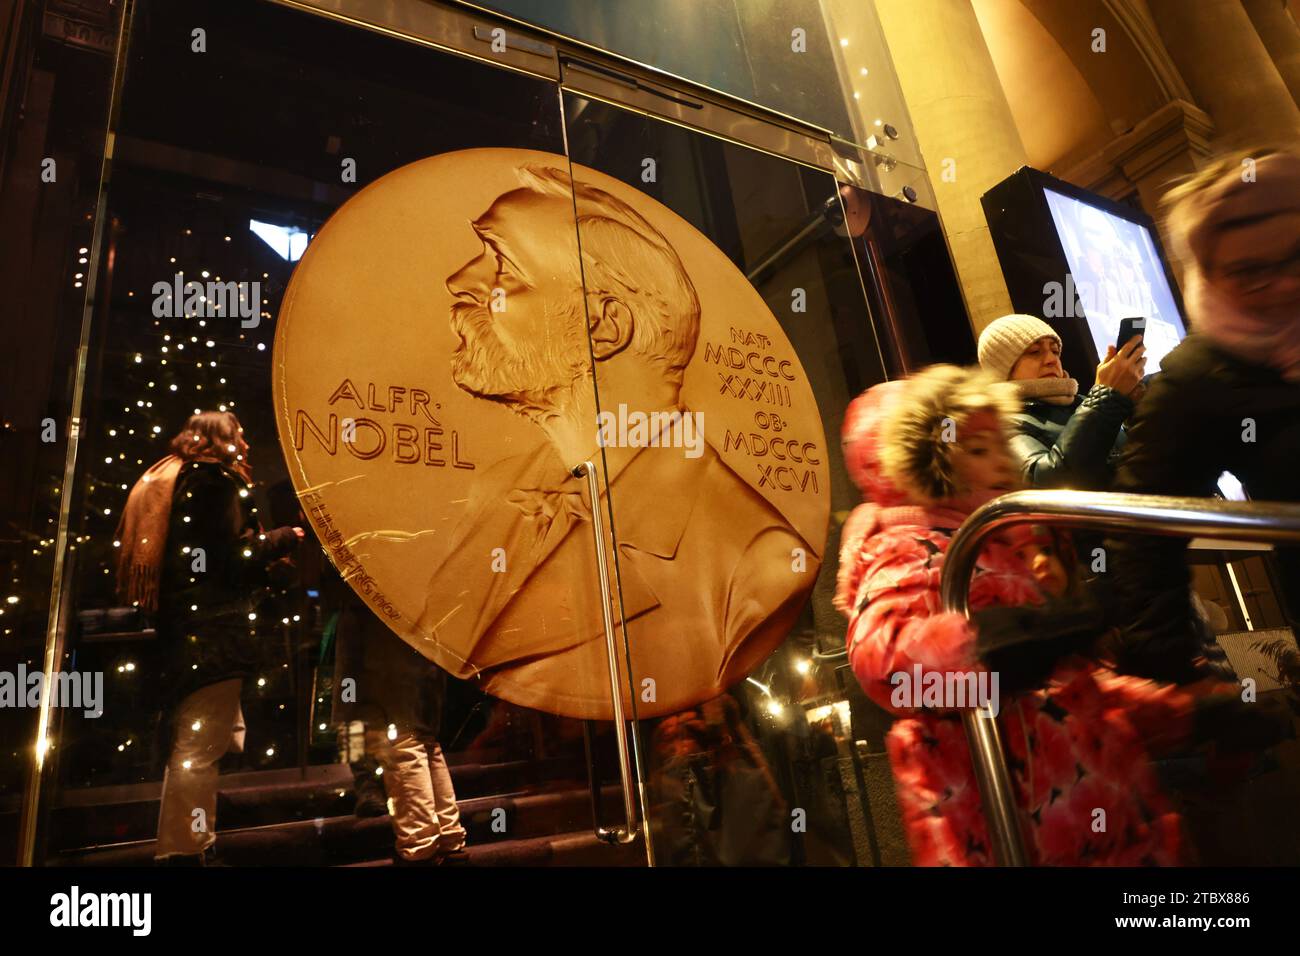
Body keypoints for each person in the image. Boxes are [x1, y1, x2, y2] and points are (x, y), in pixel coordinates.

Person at [414, 163, 811, 719]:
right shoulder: (497, 492)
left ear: (605, 327)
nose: (461, 281)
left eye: (502, 264)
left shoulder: (760, 568)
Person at [834, 365, 1262, 866]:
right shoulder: (909, 548)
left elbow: (1067, 694)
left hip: (1103, 827)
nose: (1000, 461)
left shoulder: (1001, 549)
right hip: (1006, 834)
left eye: (999, 444)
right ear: (926, 465)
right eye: (976, 449)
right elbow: (884, 662)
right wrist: (991, 645)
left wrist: (1188, 714)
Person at [1108, 146, 1300, 683]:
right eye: (1251, 273)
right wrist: (1179, 681)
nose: (1287, 285)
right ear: (1210, 277)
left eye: (1297, 254)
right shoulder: (1201, 377)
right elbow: (1141, 530)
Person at [115, 411, 303, 865]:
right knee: (200, 748)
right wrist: (282, 538)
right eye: (238, 435)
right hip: (215, 632)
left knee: (198, 742)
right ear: (222, 441)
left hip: (184, 630)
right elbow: (227, 559)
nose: (246, 445)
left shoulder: (174, 479)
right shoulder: (214, 483)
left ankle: (190, 844)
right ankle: (186, 850)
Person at [331, 582, 468, 866]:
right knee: (424, 741)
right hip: (420, 621)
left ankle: (421, 847)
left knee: (404, 739)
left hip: (385, 622)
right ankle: (449, 841)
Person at [977, 313, 1145, 490]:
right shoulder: (1003, 424)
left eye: (1055, 351)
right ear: (1002, 370)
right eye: (1035, 352)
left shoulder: (1083, 402)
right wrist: (1105, 397)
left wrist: (1136, 409)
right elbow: (1049, 481)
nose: (1051, 360)